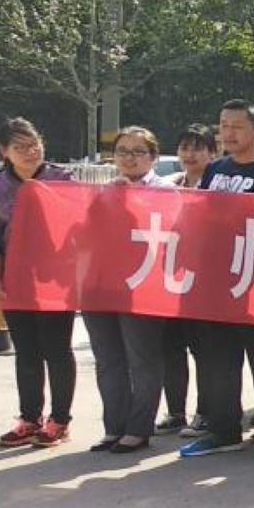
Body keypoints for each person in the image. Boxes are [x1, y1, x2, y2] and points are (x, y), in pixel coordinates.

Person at [183, 101, 254, 463]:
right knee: (217, 360)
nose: (228, 133)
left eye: (237, 126)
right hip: (216, 281)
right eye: (224, 125)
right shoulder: (215, 169)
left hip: (253, 279)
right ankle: (223, 430)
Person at [82, 126, 177, 455]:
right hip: (101, 284)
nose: (129, 158)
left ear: (153, 157)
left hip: (142, 285)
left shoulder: (166, 190)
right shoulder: (104, 190)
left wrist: (133, 200)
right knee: (108, 358)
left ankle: (138, 429)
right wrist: (109, 198)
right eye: (122, 151)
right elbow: (85, 233)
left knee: (142, 358)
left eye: (138, 152)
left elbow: (171, 234)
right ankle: (114, 426)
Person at [0, 118, 75, 449]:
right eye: (20, 147)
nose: (30, 152)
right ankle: (29, 418)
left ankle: (60, 420)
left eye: (34, 144)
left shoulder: (63, 179)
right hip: (16, 277)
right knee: (26, 351)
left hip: (56, 279)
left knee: (57, 349)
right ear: (4, 151)